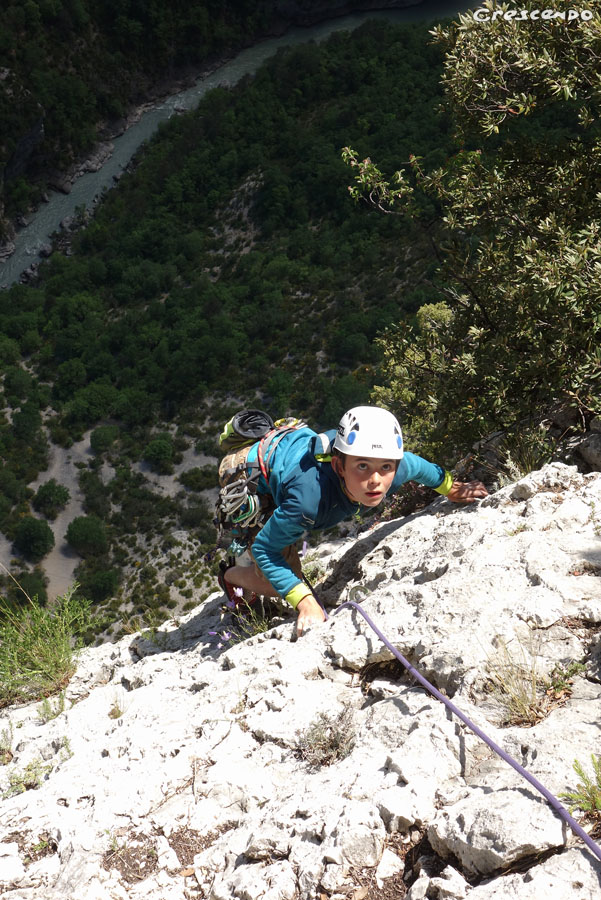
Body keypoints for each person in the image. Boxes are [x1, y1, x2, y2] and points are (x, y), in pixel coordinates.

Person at [220, 406, 487, 636]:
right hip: (254, 476)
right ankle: (229, 575)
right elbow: (265, 549)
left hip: (285, 462)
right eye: (362, 466)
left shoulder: (396, 468)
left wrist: (453, 489)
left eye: (385, 467)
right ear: (338, 466)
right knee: (276, 583)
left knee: (288, 575)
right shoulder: (308, 502)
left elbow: (419, 467)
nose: (375, 480)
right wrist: (305, 602)